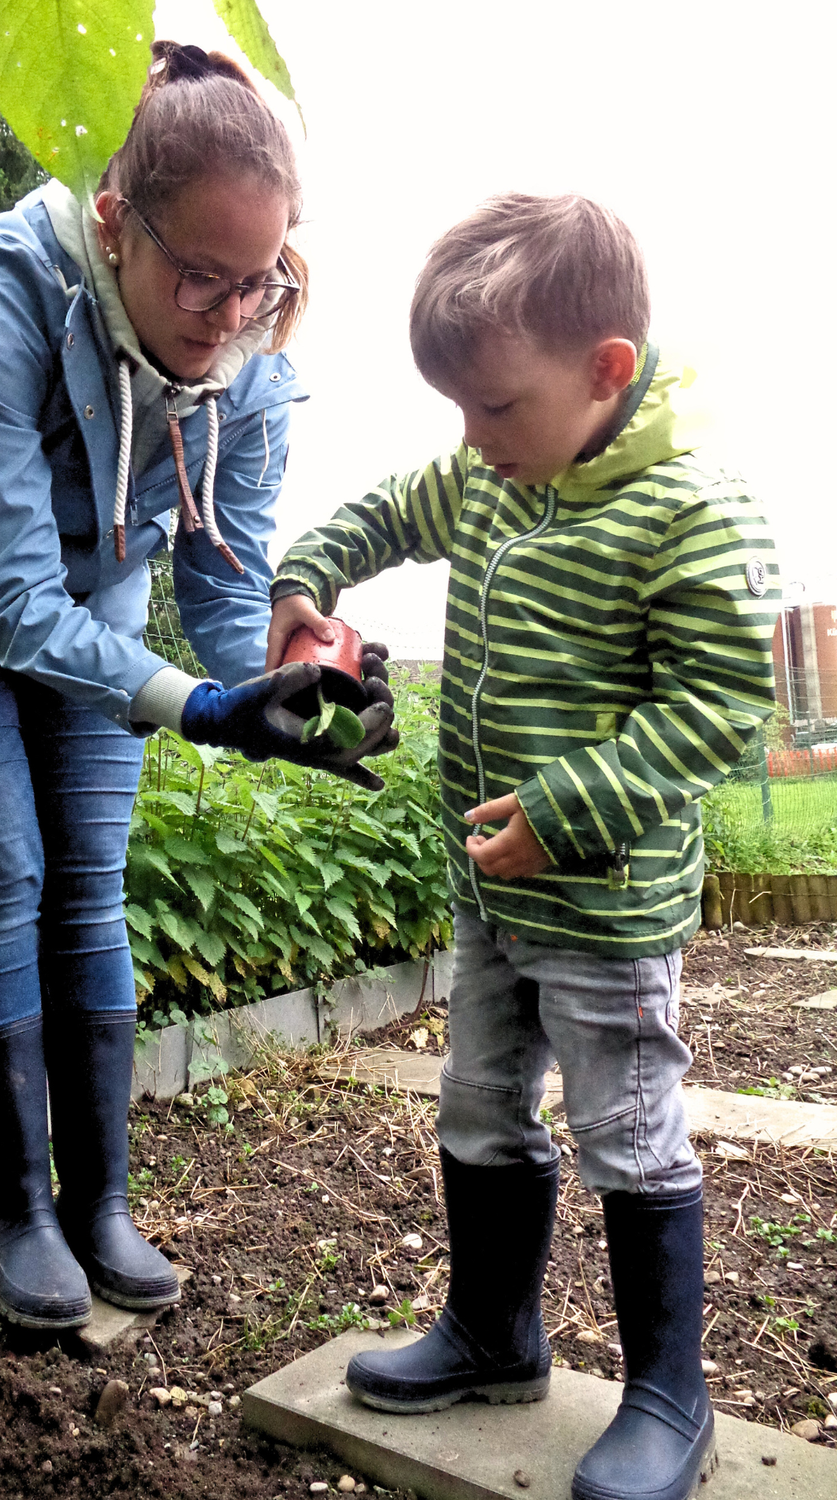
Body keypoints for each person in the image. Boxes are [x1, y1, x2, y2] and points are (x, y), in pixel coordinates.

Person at [0, 41, 395, 1333]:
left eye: (256, 281)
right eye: (199, 273)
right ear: (114, 220)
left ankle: (101, 1203)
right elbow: (13, 605)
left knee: (86, 880)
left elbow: (226, 565)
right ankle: (20, 1208)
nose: (225, 311)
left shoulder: (251, 345)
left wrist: (284, 679)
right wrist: (194, 706)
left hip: (96, 610)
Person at [266, 194, 778, 1500]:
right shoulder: (492, 468)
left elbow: (720, 713)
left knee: (628, 1125)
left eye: (496, 410)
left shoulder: (692, 506)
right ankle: (496, 1334)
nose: (471, 444)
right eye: (460, 414)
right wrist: (305, 586)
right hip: (490, 887)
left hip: (602, 904)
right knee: (481, 1105)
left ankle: (673, 1393)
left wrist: (571, 816)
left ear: (606, 373)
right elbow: (387, 510)